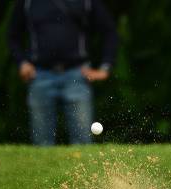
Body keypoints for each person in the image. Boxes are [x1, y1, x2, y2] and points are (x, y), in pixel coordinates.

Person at [7, 0, 118, 146]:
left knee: (83, 142)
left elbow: (109, 32)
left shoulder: (86, 2)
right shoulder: (27, 2)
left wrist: (105, 67)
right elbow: (12, 36)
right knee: (42, 144)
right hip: (39, 75)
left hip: (77, 74)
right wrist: (22, 63)